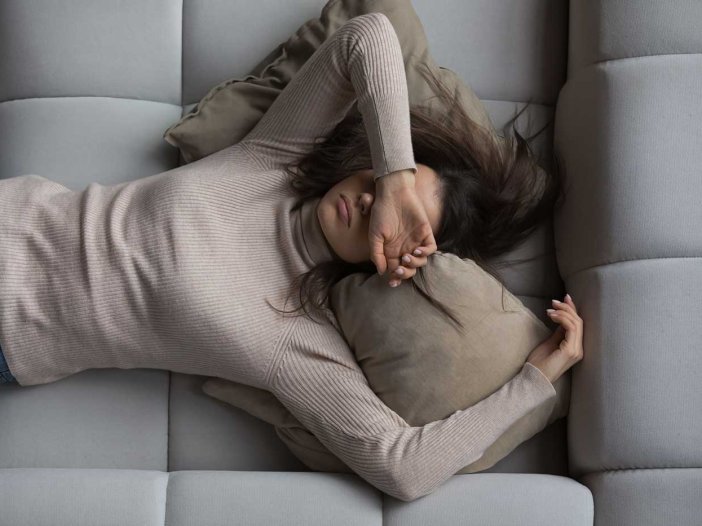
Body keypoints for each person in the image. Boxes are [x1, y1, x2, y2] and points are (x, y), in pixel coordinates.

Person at [0, 13, 583, 501]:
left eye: (406, 223)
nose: (371, 201)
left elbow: (405, 469)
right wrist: (399, 178)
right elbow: (369, 35)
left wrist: (535, 380)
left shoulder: (295, 340)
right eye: (380, 187)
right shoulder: (273, 161)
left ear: (407, 263)